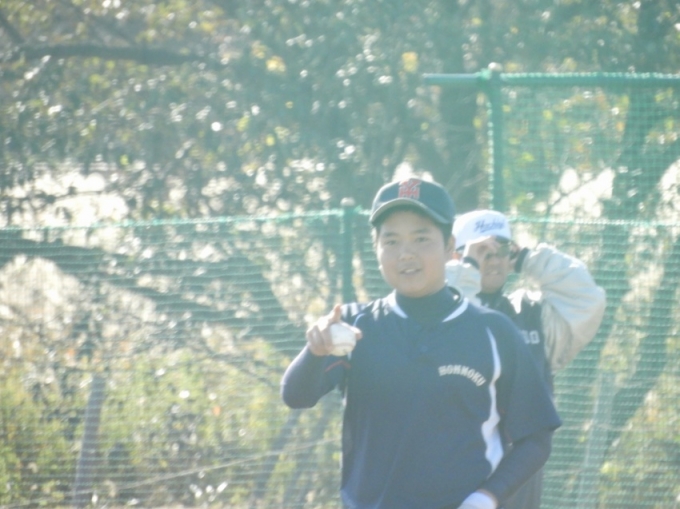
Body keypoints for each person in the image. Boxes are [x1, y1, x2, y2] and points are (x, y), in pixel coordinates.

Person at [281, 177, 562, 509]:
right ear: (376, 249)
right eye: (391, 241)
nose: (406, 253)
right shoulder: (354, 326)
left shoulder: (494, 331)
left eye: (421, 238)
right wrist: (314, 352)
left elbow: (536, 436)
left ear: (449, 247)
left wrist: (485, 498)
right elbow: (296, 395)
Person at [446, 209, 606, 509]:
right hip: (451, 471)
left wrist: (528, 259)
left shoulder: (530, 312)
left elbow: (588, 301)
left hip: (518, 477)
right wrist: (465, 272)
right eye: (483, 252)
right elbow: (444, 326)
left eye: (502, 250)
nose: (495, 260)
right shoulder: (441, 312)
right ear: (456, 256)